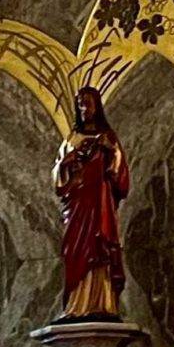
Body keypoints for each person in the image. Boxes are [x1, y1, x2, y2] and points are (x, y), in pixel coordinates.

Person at [53, 86, 129, 322]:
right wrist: (67, 163)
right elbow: (58, 177)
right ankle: (76, 305)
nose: (84, 109)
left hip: (100, 204)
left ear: (97, 106)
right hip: (78, 205)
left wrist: (109, 153)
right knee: (75, 250)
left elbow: (120, 174)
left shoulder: (108, 138)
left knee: (99, 247)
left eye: (88, 103)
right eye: (80, 105)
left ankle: (102, 303)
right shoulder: (71, 139)